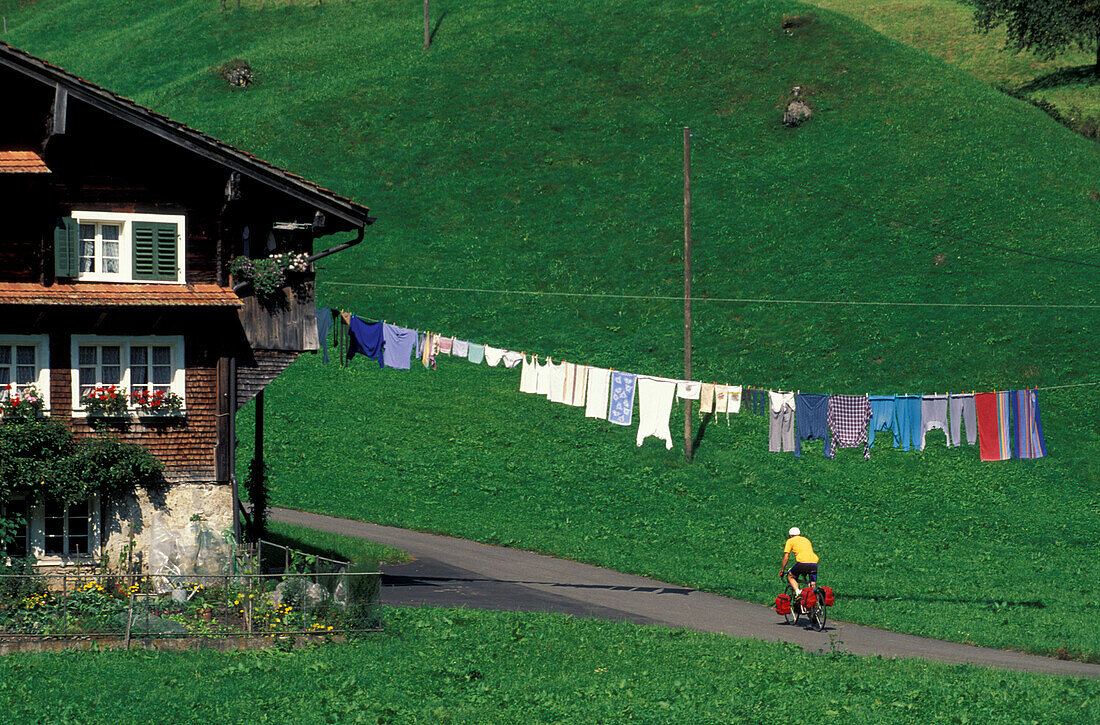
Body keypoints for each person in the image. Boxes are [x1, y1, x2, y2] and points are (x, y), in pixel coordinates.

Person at [780, 526, 819, 598]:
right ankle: (816, 605)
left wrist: (782, 570)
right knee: (812, 584)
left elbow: (786, 557)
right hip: (814, 562)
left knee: (790, 576)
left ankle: (798, 593)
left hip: (802, 562)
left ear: (791, 535)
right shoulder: (806, 540)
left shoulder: (790, 541)